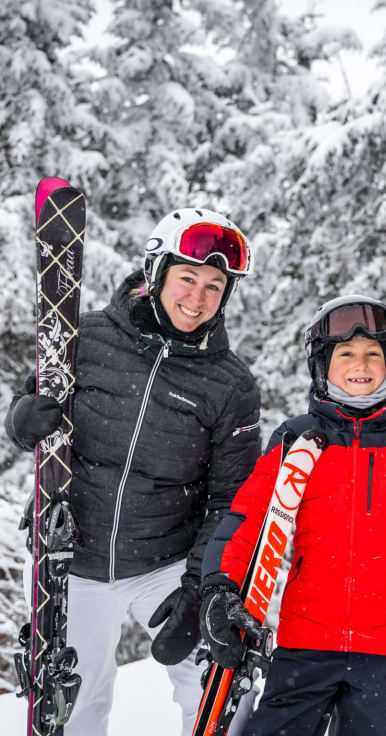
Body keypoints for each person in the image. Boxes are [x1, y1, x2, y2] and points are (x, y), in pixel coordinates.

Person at [5, 208, 261, 736]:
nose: (198, 298)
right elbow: (33, 406)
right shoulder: (85, 338)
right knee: (76, 701)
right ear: (157, 272)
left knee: (218, 683)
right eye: (187, 278)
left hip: (165, 562)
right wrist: (21, 418)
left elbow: (231, 500)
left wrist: (199, 590)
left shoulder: (230, 385)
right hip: (74, 558)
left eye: (215, 286)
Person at [199, 295, 386, 736]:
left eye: (372, 354)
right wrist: (219, 586)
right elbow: (247, 518)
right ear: (323, 366)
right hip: (306, 640)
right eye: (345, 354)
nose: (359, 363)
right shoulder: (297, 439)